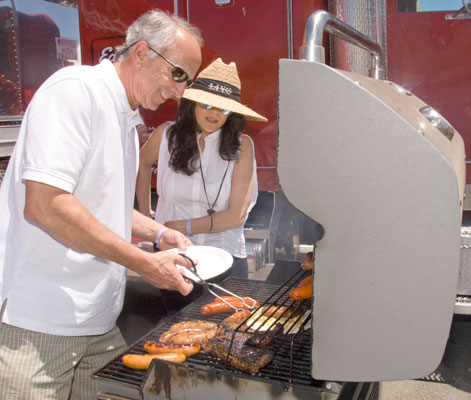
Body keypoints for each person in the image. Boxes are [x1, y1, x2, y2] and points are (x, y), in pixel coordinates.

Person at [0, 10, 202, 400]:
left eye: (188, 81)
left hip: (96, 323)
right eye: (179, 75)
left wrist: (159, 233)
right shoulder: (75, 91)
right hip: (40, 324)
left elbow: (99, 204)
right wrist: (142, 262)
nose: (180, 92)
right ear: (142, 53)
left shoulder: (127, 117)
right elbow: (46, 205)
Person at [136, 58, 267, 310]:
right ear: (191, 103)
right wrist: (145, 216)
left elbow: (235, 216)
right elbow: (141, 164)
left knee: (228, 337)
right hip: (175, 260)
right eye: (206, 103)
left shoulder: (243, 147)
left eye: (224, 108)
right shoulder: (166, 136)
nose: (214, 113)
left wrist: (180, 226)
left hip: (225, 259)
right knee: (176, 329)